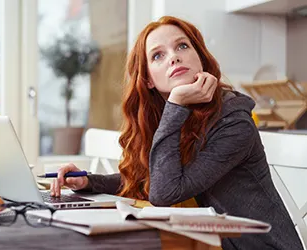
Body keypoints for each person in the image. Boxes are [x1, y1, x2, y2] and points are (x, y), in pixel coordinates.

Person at [50, 16, 303, 249]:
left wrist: (177, 102)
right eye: (158, 55)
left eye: (182, 46)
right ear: (148, 79)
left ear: (200, 58)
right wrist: (88, 181)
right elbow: (151, 181)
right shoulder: (178, 118)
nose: (174, 57)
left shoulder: (234, 122)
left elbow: (165, 193)